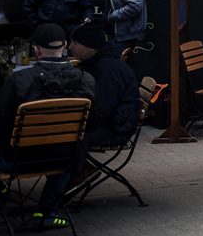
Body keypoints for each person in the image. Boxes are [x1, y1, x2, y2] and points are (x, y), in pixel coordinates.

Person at [0, 24, 95, 226]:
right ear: (64, 47)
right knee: (65, 145)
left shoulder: (19, 80)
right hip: (64, 158)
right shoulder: (86, 80)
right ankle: (47, 212)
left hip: (16, 159)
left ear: (36, 50)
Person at [38, 23, 139, 210]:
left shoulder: (107, 69)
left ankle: (74, 174)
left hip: (115, 129)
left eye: (76, 42)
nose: (70, 47)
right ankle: (71, 175)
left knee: (69, 136)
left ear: (90, 46)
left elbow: (103, 109)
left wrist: (74, 120)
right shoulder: (99, 64)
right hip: (110, 123)